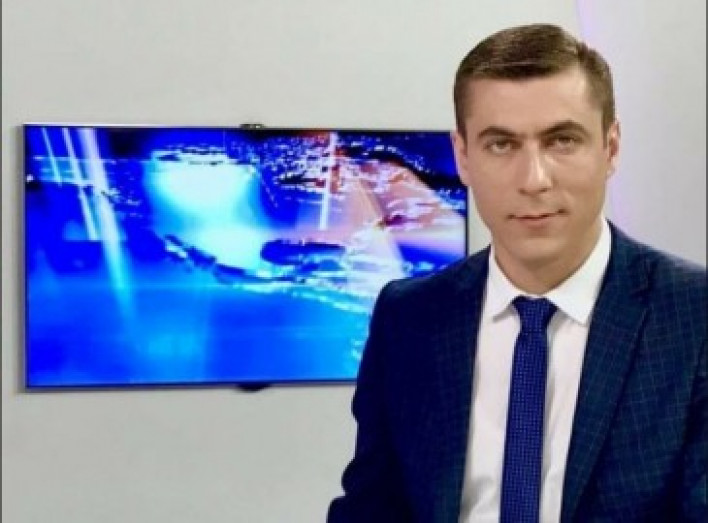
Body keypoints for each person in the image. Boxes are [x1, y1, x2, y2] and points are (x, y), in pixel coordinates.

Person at [327, 23, 706, 522]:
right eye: (502, 145)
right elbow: (371, 509)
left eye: (562, 141)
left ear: (611, 148)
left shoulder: (692, 316)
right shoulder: (409, 317)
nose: (534, 180)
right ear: (463, 156)